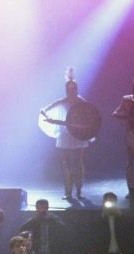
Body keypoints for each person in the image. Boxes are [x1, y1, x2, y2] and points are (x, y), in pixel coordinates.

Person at [40, 68, 90, 200]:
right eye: (69, 89)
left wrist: (84, 128)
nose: (71, 91)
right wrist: (49, 118)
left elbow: (90, 116)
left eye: (73, 89)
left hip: (78, 136)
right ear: (67, 90)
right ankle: (68, 192)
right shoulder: (63, 101)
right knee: (66, 164)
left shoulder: (82, 102)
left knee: (78, 163)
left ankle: (79, 191)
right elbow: (44, 110)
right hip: (65, 136)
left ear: (76, 89)